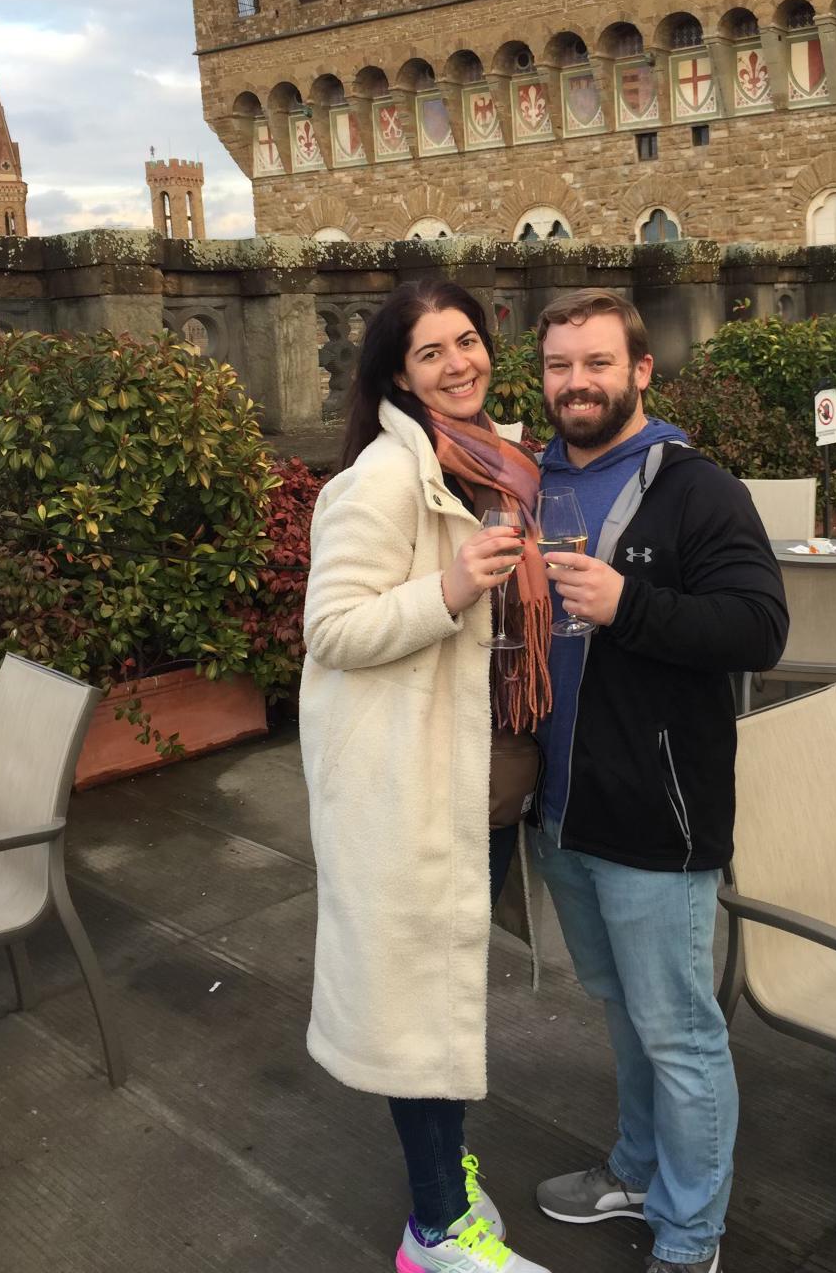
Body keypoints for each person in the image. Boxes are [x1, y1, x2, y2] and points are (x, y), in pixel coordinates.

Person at [528, 289, 789, 1273]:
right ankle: (636, 1169)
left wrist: (629, 604)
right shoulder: (529, 480)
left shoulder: (694, 488)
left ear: (641, 371)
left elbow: (760, 627)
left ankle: (690, 1239)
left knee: (678, 1031)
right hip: (558, 807)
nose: (577, 382)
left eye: (598, 363)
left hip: (657, 810)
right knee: (621, 1010)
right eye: (560, 366)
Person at [299, 278, 554, 1273]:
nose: (458, 364)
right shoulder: (384, 479)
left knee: (445, 987)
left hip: (484, 771)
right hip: (411, 782)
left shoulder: (500, 462)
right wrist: (448, 589)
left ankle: (445, 1182)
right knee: (420, 1001)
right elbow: (332, 631)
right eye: (430, 354)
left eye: (467, 341)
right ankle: (438, 1229)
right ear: (396, 379)